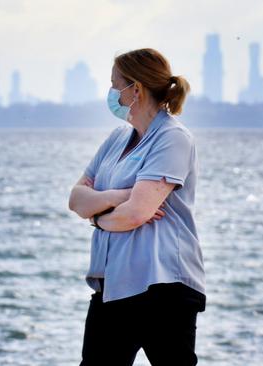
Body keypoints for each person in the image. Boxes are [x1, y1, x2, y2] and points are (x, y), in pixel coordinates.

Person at [68, 48, 205, 365]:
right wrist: (119, 196)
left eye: (115, 83)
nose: (112, 92)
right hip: (113, 284)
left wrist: (98, 218)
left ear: (136, 90)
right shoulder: (118, 137)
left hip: (162, 288)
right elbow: (76, 199)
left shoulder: (173, 138)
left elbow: (137, 214)